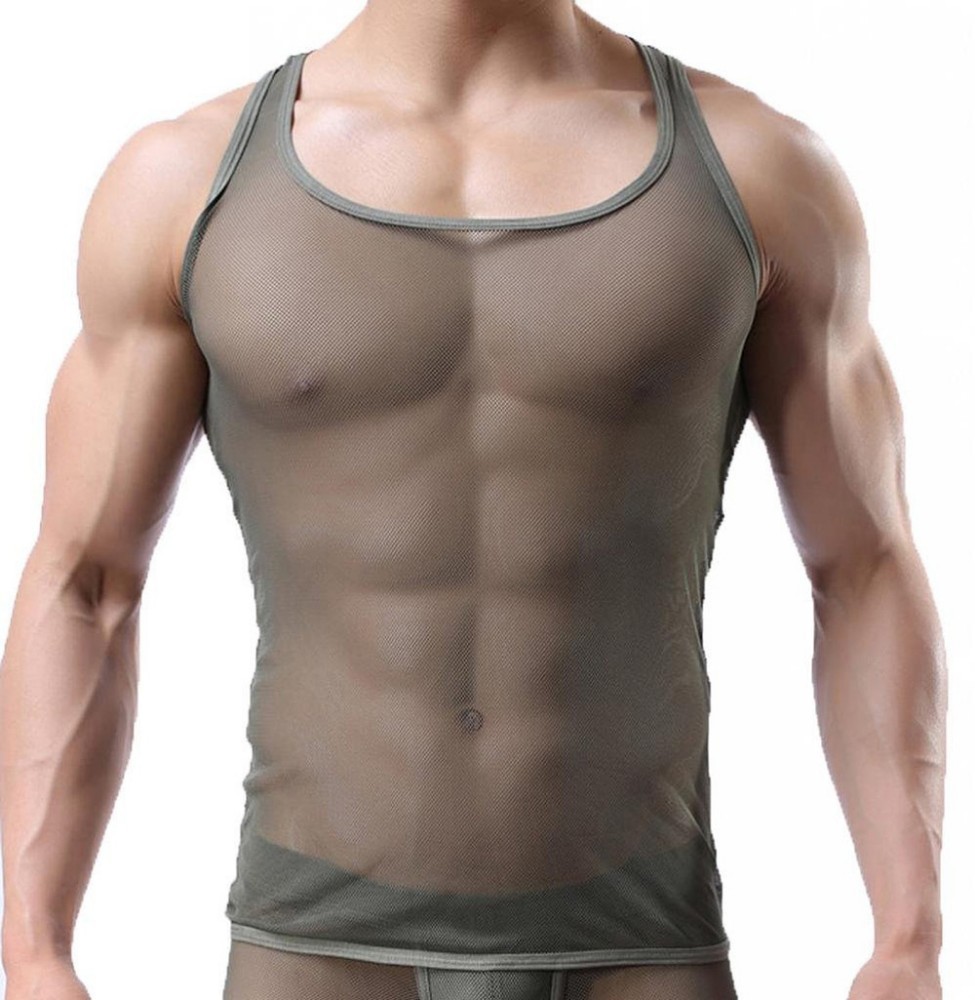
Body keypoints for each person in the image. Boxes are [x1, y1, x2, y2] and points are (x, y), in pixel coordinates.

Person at [0, 3, 948, 999]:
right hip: (313, 945)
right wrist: (33, 951)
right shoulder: (182, 183)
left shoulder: (760, 172)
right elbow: (87, 581)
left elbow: (864, 565)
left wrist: (908, 941)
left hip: (639, 944)